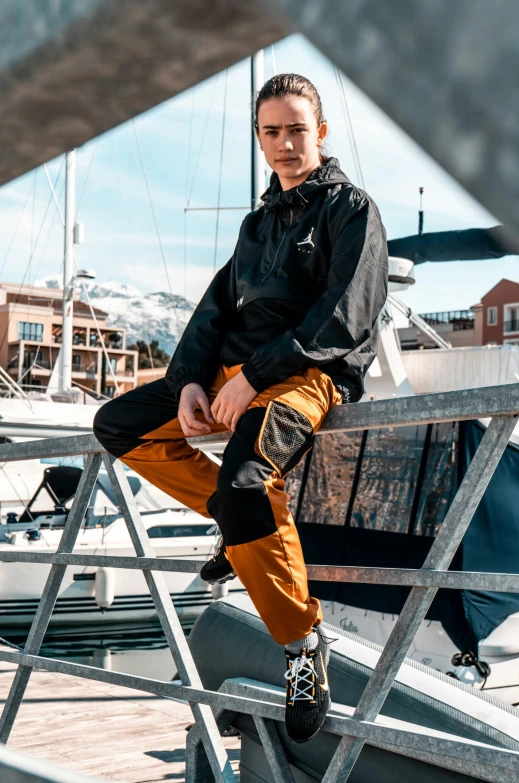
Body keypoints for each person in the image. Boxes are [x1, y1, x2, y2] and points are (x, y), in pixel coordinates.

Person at [94, 73, 388, 743]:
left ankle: (302, 643)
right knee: (117, 423)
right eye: (270, 131)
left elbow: (345, 319)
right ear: (259, 139)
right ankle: (235, 521)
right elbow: (213, 311)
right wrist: (193, 379)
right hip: (233, 373)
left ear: (321, 132)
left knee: (248, 476)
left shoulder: (351, 209)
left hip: (304, 374)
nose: (284, 144)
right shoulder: (258, 225)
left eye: (295, 129)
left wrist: (254, 376)